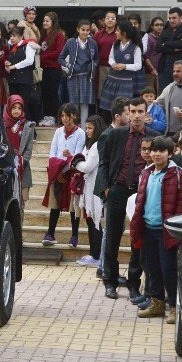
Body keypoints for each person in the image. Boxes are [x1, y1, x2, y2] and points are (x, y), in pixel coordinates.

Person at [97, 98, 160, 300]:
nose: (136, 115)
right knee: (112, 238)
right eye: (132, 111)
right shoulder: (116, 134)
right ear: (128, 113)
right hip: (118, 190)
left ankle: (134, 283)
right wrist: (107, 188)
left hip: (142, 194)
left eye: (140, 111)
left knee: (137, 241)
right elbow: (104, 163)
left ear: (146, 112)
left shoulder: (154, 137)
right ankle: (110, 281)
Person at [128, 135, 182, 321]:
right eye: (154, 150)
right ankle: (156, 303)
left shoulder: (178, 175)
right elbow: (141, 201)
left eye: (161, 151)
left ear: (170, 153)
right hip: (148, 229)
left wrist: (176, 227)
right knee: (152, 269)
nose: (156, 154)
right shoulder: (146, 173)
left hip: (167, 231)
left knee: (169, 270)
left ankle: (173, 307)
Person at [42, 104, 85, 247]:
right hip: (57, 172)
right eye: (62, 116)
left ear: (74, 115)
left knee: (73, 206)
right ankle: (50, 233)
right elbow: (52, 152)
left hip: (73, 173)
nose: (64, 119)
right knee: (55, 204)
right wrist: (57, 171)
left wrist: (69, 159)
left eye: (67, 115)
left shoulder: (80, 133)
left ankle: (74, 236)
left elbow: (78, 155)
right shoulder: (58, 132)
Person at [73, 115, 107, 268]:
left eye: (90, 128)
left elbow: (87, 166)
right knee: (90, 219)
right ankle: (94, 253)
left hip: (95, 187)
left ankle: (97, 255)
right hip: (88, 187)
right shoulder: (89, 144)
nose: (87, 131)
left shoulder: (97, 145)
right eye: (86, 128)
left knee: (95, 221)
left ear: (97, 128)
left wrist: (76, 164)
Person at [58, 19, 99, 127]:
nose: (85, 32)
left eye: (87, 30)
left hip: (87, 76)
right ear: (78, 29)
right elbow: (61, 58)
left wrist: (92, 65)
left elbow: (96, 59)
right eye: (83, 30)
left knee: (85, 104)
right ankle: (74, 126)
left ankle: (85, 128)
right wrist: (69, 65)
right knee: (74, 104)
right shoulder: (71, 42)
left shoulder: (92, 43)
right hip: (73, 77)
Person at [99, 20, 144, 116]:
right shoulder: (115, 44)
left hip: (125, 82)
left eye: (117, 30)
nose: (115, 32)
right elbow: (110, 58)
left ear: (124, 33)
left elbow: (138, 65)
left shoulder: (136, 47)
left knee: (123, 109)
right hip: (112, 80)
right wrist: (113, 64)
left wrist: (125, 66)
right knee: (107, 109)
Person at [4, 95, 35, 203]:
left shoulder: (28, 126)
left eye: (19, 108)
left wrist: (21, 162)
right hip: (5, 167)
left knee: (21, 201)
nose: (17, 111)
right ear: (8, 108)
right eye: (14, 107)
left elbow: (28, 149)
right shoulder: (2, 125)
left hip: (22, 167)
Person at [5, 27, 39, 119]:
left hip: (24, 80)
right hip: (13, 80)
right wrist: (7, 65)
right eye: (10, 36)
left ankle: (29, 129)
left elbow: (29, 61)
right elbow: (11, 63)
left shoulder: (28, 45)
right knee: (14, 105)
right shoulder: (12, 48)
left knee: (23, 105)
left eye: (14, 36)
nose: (11, 38)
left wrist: (13, 66)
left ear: (21, 36)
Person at [38, 12, 66, 125]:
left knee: (53, 93)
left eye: (47, 21)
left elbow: (59, 52)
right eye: (44, 21)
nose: (45, 23)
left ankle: (54, 116)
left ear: (53, 22)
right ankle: (46, 116)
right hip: (44, 68)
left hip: (54, 69)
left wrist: (42, 57)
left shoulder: (59, 34)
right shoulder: (44, 35)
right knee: (45, 93)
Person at [92, 10, 120, 120]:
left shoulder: (118, 33)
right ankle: (101, 119)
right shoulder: (99, 34)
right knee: (100, 94)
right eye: (108, 18)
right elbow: (93, 50)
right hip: (101, 68)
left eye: (112, 18)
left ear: (116, 21)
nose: (110, 20)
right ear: (104, 20)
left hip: (115, 68)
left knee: (113, 96)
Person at [157, 7, 182, 89]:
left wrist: (166, 43)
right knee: (165, 94)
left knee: (180, 93)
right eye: (170, 18)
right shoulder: (165, 31)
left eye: (174, 18)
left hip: (180, 67)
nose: (171, 20)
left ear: (180, 18)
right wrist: (174, 49)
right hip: (165, 67)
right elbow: (158, 47)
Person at [143, 17, 164, 94]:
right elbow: (145, 56)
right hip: (150, 72)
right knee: (149, 94)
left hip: (158, 71)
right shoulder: (149, 38)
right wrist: (152, 69)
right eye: (157, 25)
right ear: (152, 26)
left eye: (161, 25)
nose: (159, 27)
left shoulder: (160, 38)